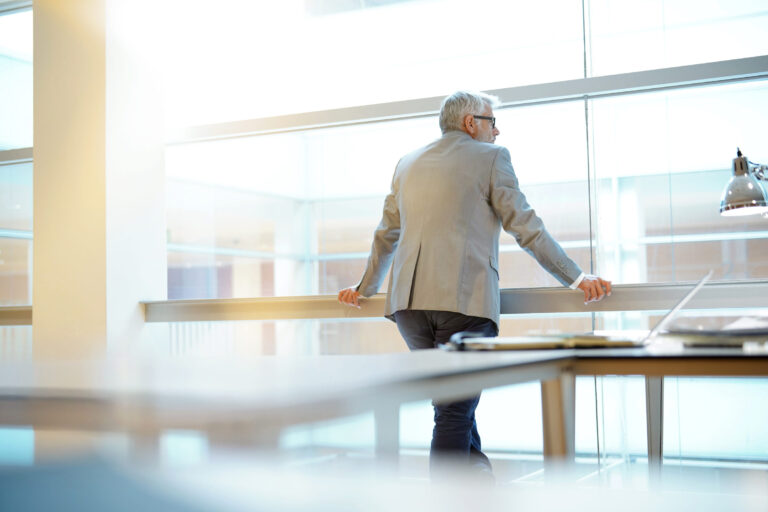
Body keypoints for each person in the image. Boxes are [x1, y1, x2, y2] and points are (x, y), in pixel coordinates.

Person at [338, 90, 611, 480]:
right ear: (471, 123)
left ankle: (479, 480)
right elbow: (525, 225)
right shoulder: (491, 158)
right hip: (463, 307)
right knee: (453, 410)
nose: (497, 131)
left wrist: (364, 288)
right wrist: (578, 277)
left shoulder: (407, 163)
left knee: (452, 405)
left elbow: (386, 234)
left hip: (409, 311)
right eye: (492, 122)